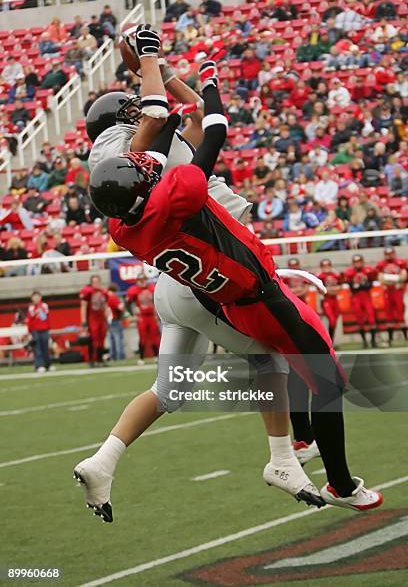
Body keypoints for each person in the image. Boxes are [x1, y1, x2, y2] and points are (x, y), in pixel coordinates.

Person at [80, 28, 382, 518]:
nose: (145, 110)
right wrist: (152, 61)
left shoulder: (119, 191)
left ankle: (104, 459)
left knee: (170, 390)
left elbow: (185, 112)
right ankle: (290, 457)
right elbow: (180, 117)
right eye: (133, 110)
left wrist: (166, 75)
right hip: (212, 275)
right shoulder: (141, 154)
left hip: (176, 278)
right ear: (122, 125)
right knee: (280, 354)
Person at [344, 255, 377, 348]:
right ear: (353, 263)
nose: (357, 263)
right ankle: (364, 341)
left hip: (366, 297)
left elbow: (370, 284)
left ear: (362, 262)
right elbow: (352, 287)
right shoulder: (350, 272)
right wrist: (359, 286)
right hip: (356, 298)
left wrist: (359, 286)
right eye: (356, 262)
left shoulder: (368, 271)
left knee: (371, 318)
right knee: (359, 319)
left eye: (359, 261)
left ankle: (373, 340)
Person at [127, 273, 160, 364]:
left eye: (144, 279)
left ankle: (156, 356)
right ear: (137, 281)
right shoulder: (134, 290)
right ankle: (141, 358)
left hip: (152, 315)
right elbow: (128, 303)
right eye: (140, 280)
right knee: (142, 337)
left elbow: (158, 301)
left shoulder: (152, 288)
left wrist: (158, 314)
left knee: (155, 337)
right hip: (142, 316)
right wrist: (132, 314)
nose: (142, 282)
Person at [376, 248, 407, 345]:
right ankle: (390, 339)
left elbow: (403, 277)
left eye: (391, 254)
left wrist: (389, 279)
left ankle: (405, 338)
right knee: (389, 314)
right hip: (388, 292)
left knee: (401, 313)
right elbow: (381, 279)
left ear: (394, 253)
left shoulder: (401, 262)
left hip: (398, 291)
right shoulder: (381, 264)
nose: (389, 256)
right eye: (387, 254)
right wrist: (395, 279)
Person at [80, 275, 109, 366]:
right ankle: (91, 360)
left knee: (101, 340)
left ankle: (100, 360)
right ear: (91, 283)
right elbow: (83, 306)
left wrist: (107, 317)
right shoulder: (88, 292)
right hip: (92, 319)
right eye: (94, 282)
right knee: (93, 339)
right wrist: (84, 321)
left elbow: (105, 306)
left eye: (97, 282)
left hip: (101, 319)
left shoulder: (103, 292)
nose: (96, 284)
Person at [317, 259, 342, 341]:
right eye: (324, 266)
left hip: (335, 300)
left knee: (334, 321)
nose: (326, 268)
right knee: (332, 320)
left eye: (328, 266)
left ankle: (332, 341)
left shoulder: (335, 274)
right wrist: (330, 290)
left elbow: (339, 288)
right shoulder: (319, 276)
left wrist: (329, 290)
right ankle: (329, 341)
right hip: (326, 300)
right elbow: (321, 291)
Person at [27, 291, 51, 373]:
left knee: (45, 347)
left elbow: (45, 318)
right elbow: (30, 320)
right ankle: (39, 365)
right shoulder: (31, 307)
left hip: (44, 329)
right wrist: (29, 332)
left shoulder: (44, 305)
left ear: (41, 297)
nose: (36, 298)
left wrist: (41, 311)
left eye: (37, 296)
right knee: (37, 348)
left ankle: (47, 364)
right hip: (35, 330)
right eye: (34, 297)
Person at [107, 283, 125, 361]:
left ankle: (112, 356)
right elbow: (120, 308)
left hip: (108, 320)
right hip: (115, 319)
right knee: (118, 339)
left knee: (111, 339)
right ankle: (120, 356)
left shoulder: (106, 296)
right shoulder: (113, 297)